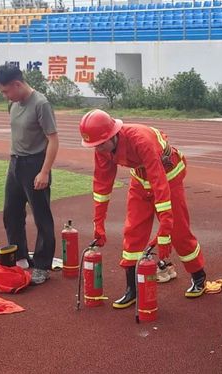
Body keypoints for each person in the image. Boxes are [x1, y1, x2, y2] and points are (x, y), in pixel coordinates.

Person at [79, 109, 208, 308]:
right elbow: (102, 186)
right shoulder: (103, 148)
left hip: (168, 176)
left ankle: (199, 276)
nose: (98, 149)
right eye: (94, 146)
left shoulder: (141, 141)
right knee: (133, 231)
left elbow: (159, 182)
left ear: (112, 135)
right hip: (140, 179)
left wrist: (165, 227)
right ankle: (132, 288)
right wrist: (99, 223)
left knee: (178, 232)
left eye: (101, 144)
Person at [0, 65, 59, 285]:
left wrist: (44, 172)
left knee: (41, 217)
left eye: (6, 91)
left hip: (36, 164)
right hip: (16, 163)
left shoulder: (41, 104)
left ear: (17, 84)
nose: (5, 96)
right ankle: (20, 257)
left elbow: (53, 140)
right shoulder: (12, 103)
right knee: (11, 213)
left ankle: (42, 265)